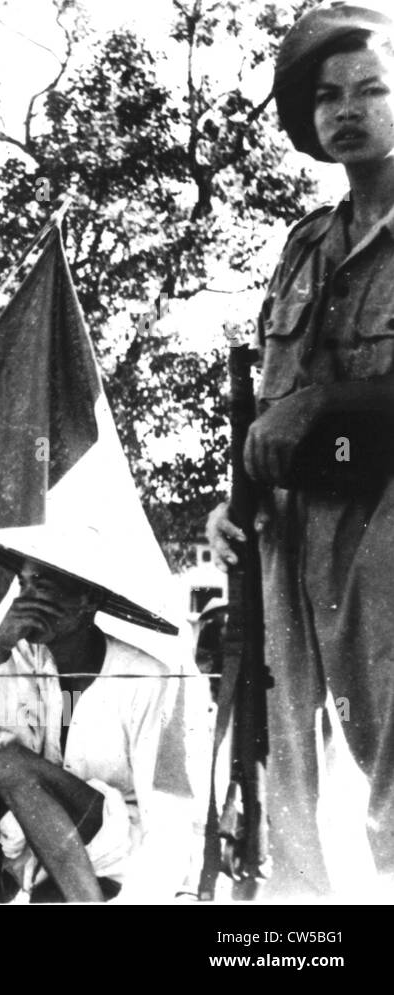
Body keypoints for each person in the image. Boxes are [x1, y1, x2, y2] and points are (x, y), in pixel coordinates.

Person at [205, 3, 394, 896]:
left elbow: (302, 406)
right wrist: (232, 499)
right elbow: (267, 405)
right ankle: (297, 934)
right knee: (277, 752)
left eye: (372, 88)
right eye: (327, 96)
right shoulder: (305, 246)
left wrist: (327, 402)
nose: (348, 109)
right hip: (288, 526)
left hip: (387, 517)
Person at [0, 524, 210, 903]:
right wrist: (0, 656)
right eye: (24, 585)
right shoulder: (26, 661)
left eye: (44, 586)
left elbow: (169, 811)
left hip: (121, 845)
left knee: (9, 765)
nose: (27, 601)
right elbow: (5, 747)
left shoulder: (148, 678)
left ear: (88, 598)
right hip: (46, 841)